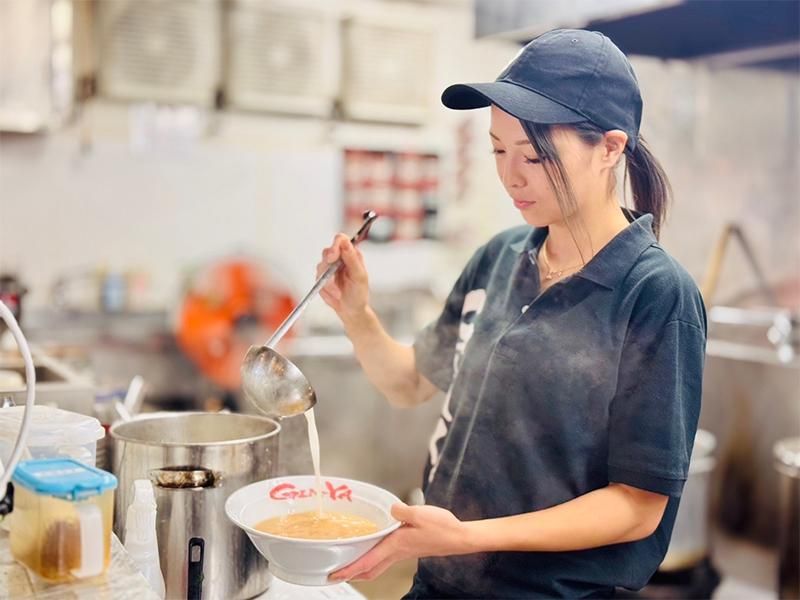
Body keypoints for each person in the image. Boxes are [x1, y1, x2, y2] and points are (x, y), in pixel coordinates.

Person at [322, 29, 706, 599]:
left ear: (609, 148)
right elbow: (409, 383)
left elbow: (636, 507)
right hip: (439, 582)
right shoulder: (501, 257)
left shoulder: (654, 293)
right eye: (499, 151)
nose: (511, 176)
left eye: (534, 156)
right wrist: (356, 313)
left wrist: (469, 536)